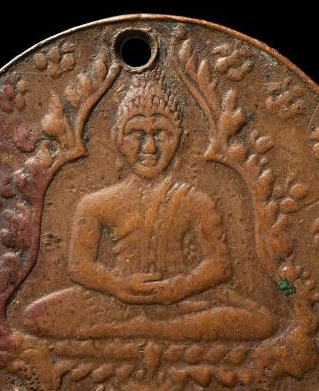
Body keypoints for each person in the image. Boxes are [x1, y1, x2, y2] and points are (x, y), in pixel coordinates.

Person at [24, 74, 277, 342]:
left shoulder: (195, 200)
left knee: (260, 323)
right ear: (117, 138)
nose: (149, 147)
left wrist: (177, 288)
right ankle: (156, 332)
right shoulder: (94, 203)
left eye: (160, 133)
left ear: (180, 138)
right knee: (37, 316)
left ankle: (137, 332)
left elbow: (219, 266)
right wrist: (117, 287)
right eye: (136, 134)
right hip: (114, 301)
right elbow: (79, 266)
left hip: (183, 301)